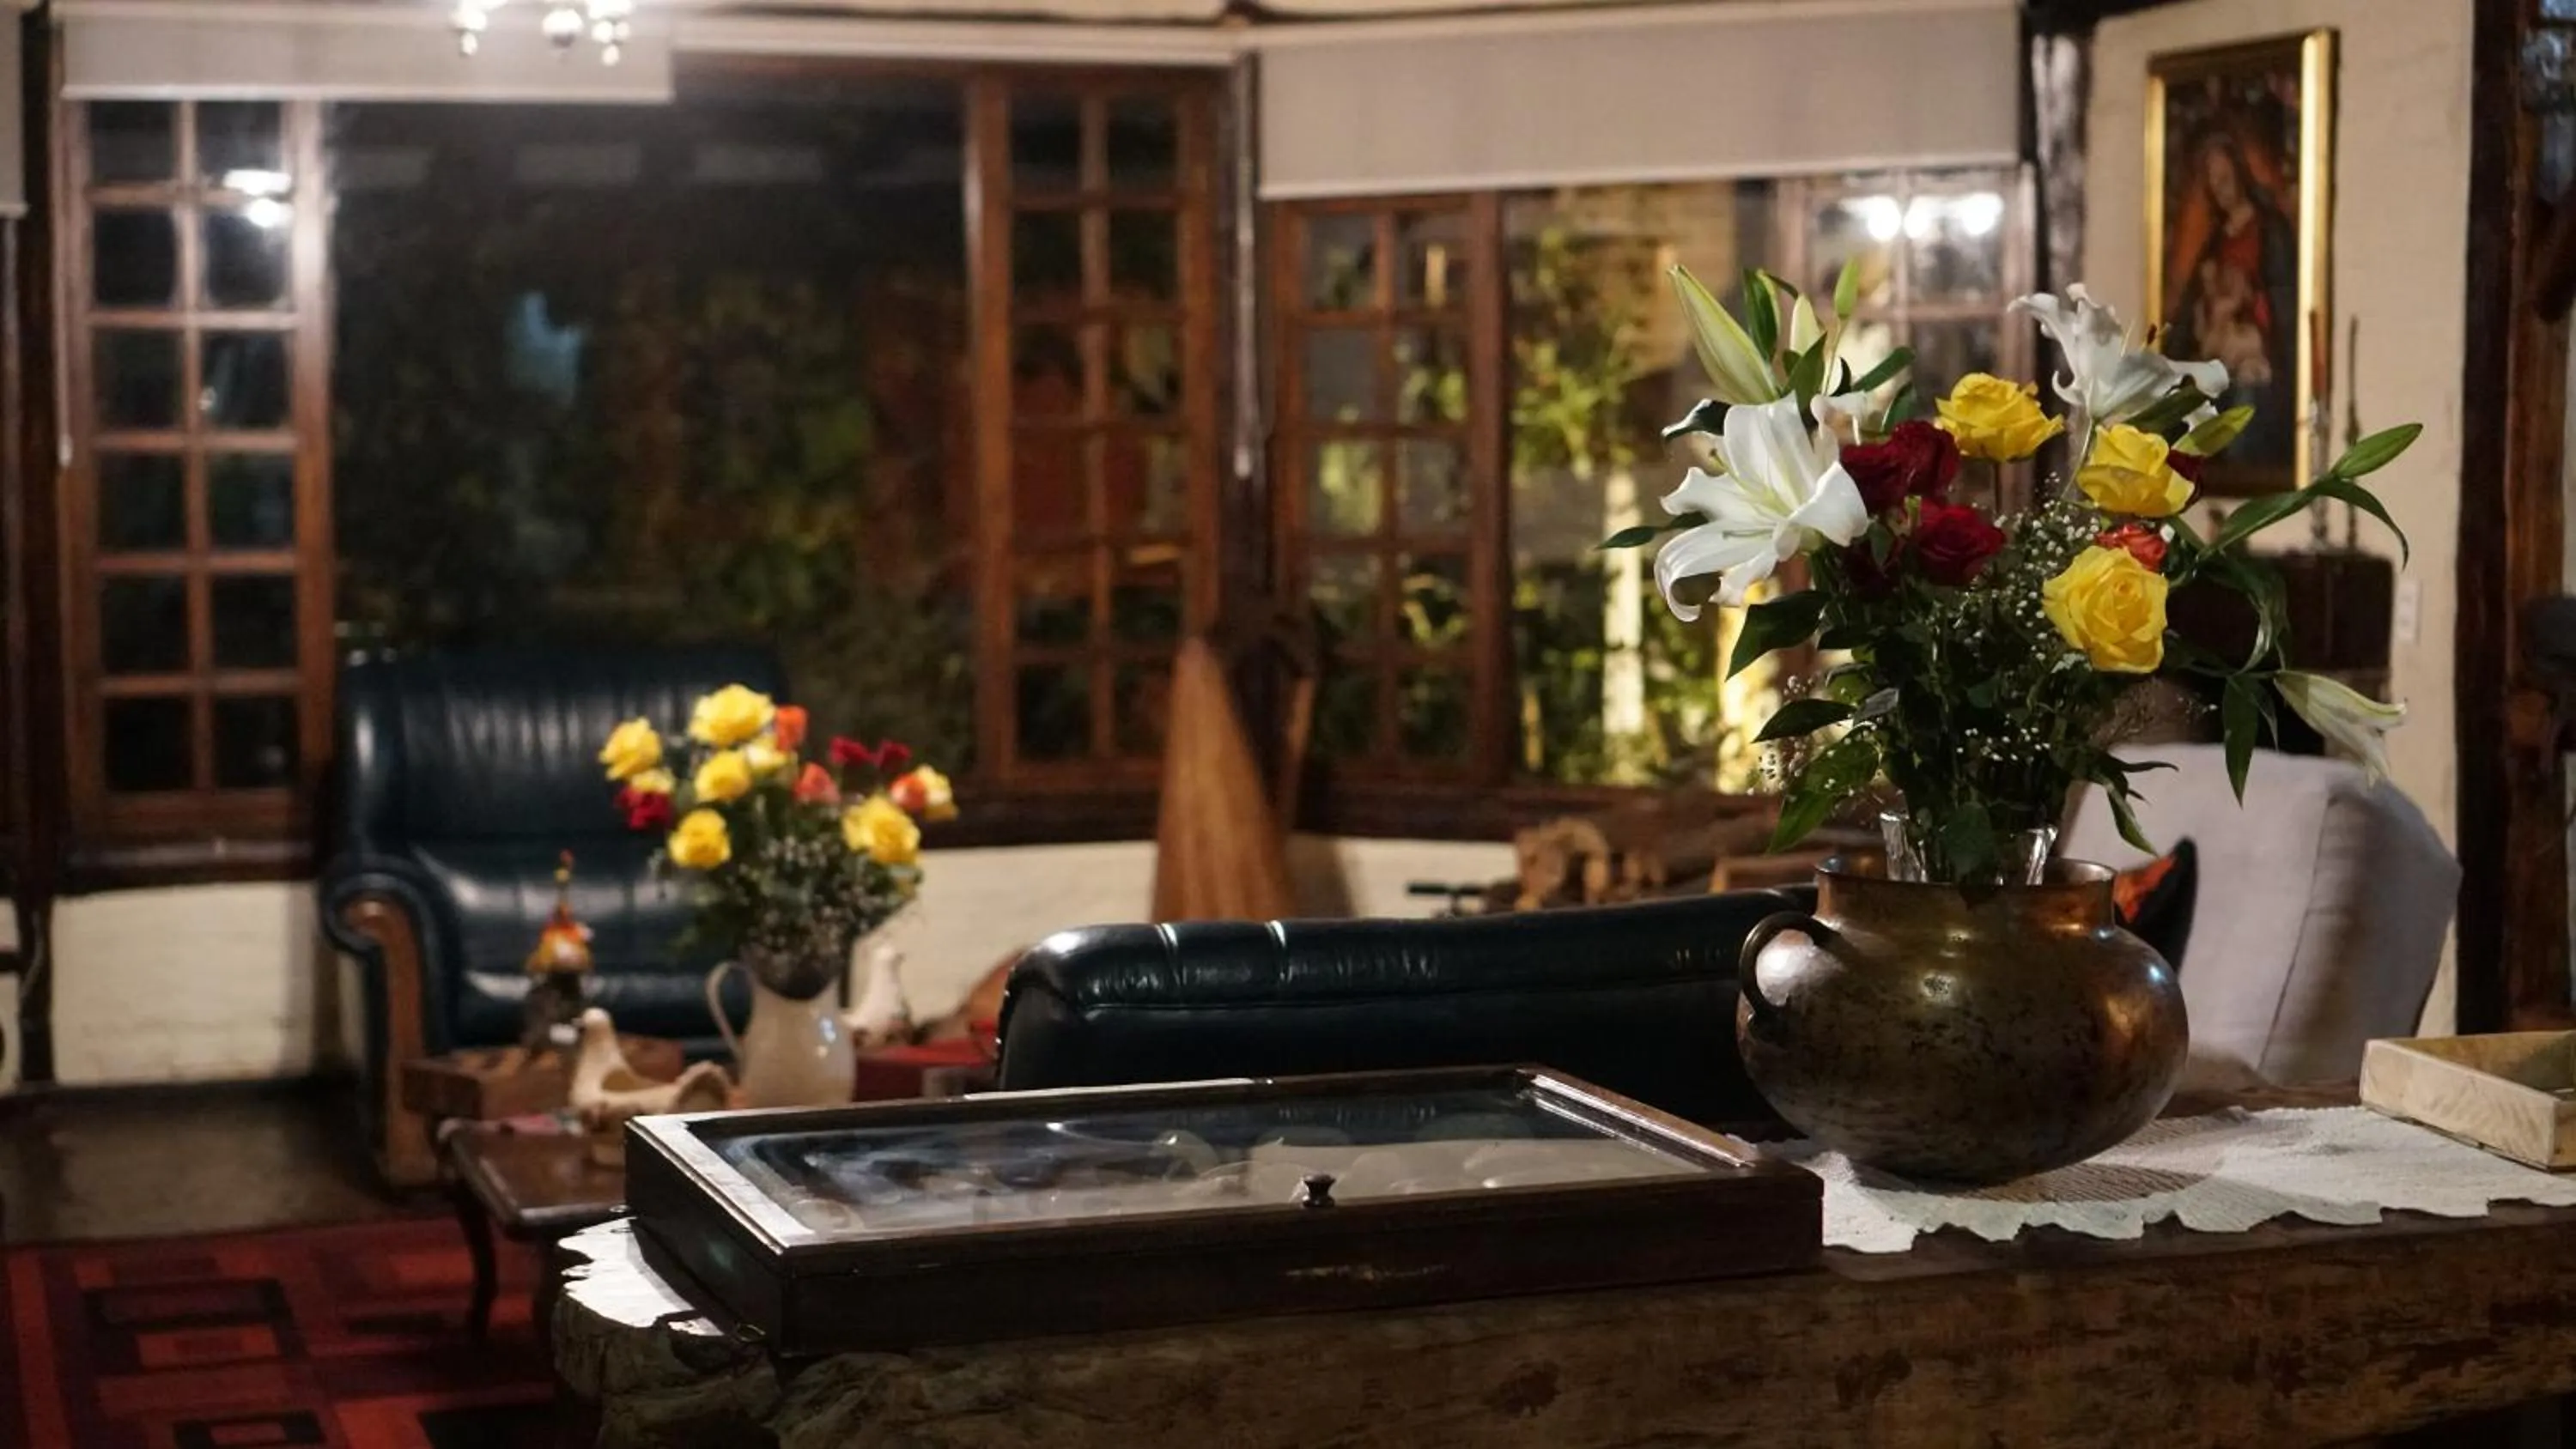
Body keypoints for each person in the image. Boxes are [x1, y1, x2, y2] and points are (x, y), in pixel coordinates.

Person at [2166, 130, 2298, 464]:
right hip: (2220, 351)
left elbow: (2285, 301)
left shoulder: (2269, 230)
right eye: (2213, 182)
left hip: (2261, 354)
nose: (2221, 188)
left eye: (2225, 177)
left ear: (2239, 174)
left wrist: (2254, 306)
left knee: (2243, 409)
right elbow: (2191, 313)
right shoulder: (2215, 242)